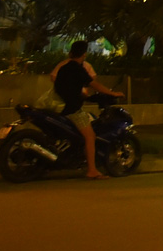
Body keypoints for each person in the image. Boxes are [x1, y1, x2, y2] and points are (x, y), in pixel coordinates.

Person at [49, 40, 123, 179]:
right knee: (90, 136)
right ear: (84, 54)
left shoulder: (64, 68)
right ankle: (92, 170)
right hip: (72, 109)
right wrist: (112, 93)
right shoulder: (78, 69)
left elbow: (63, 87)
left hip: (60, 107)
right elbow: (94, 84)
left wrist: (82, 96)